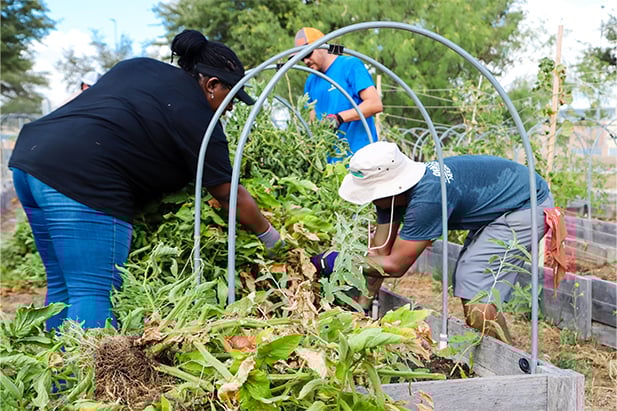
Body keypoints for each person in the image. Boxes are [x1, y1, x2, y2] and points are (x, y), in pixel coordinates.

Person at [9, 29, 283, 330]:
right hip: (83, 178)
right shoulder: (201, 119)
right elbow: (229, 193)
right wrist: (269, 237)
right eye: (230, 97)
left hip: (32, 161)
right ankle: (82, 376)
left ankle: (57, 373)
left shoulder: (138, 66)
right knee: (95, 291)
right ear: (212, 85)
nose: (230, 107)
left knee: (64, 286)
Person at [311, 141, 554, 343]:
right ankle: (493, 352)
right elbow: (379, 253)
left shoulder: (428, 198)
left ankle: (504, 362)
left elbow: (395, 266)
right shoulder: (391, 198)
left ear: (390, 186)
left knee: (474, 277)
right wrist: (361, 306)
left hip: (526, 205)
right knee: (471, 275)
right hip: (503, 201)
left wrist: (335, 260)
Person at [293, 27, 383, 162]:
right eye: (301, 58)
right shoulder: (311, 81)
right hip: (330, 165)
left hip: (362, 158)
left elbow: (374, 104)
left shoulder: (350, 65)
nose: (306, 61)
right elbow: (312, 122)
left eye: (308, 54)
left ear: (323, 46)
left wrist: (339, 118)